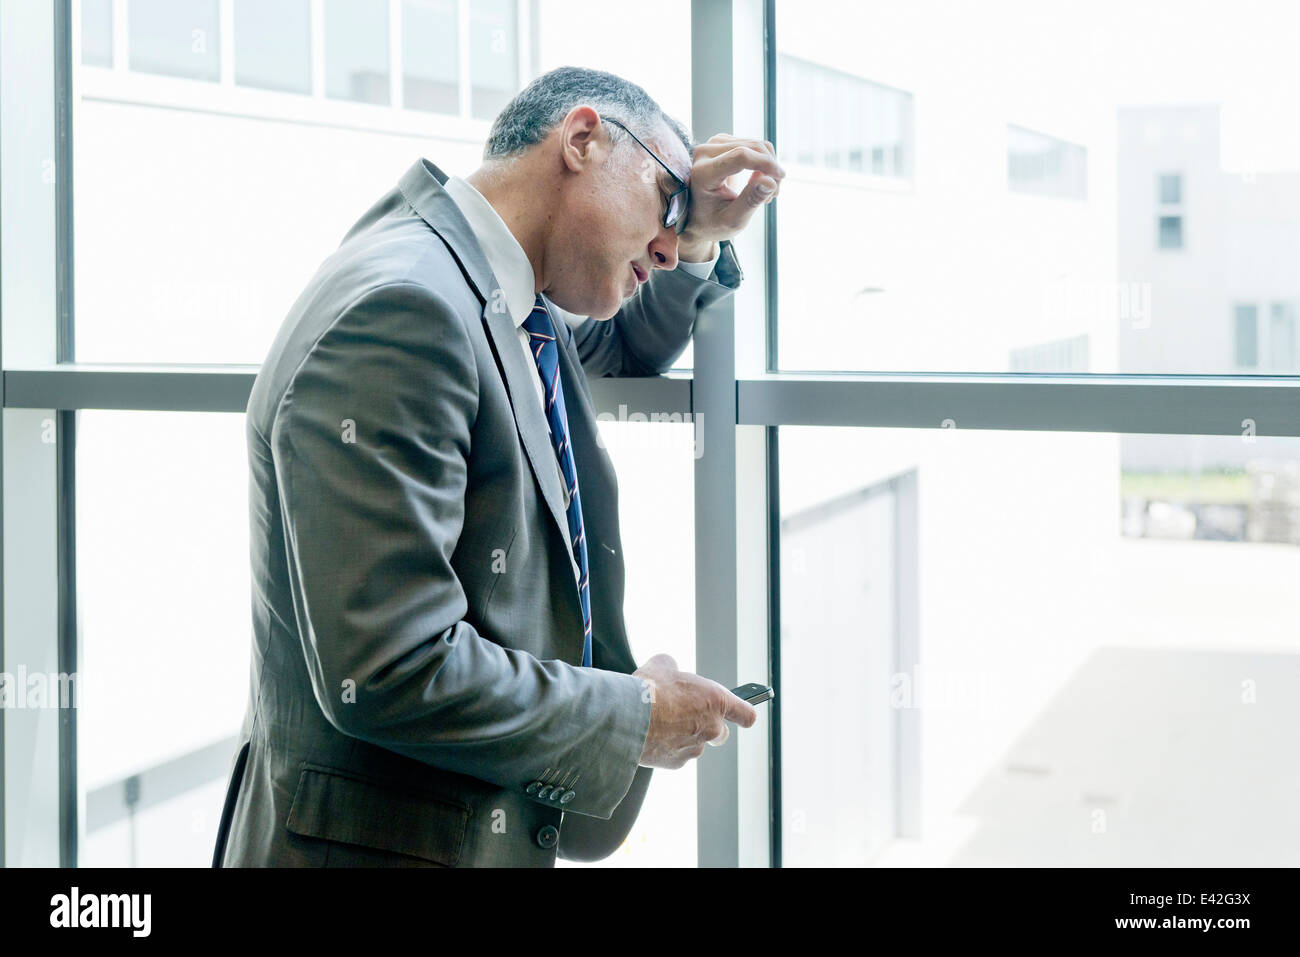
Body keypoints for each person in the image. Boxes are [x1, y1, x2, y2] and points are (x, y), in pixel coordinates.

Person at [212, 65, 783, 867]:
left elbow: (626, 342)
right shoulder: (405, 309)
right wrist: (639, 715)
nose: (665, 240)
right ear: (581, 140)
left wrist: (692, 240)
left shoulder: (504, 290)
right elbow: (392, 668)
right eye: (665, 198)